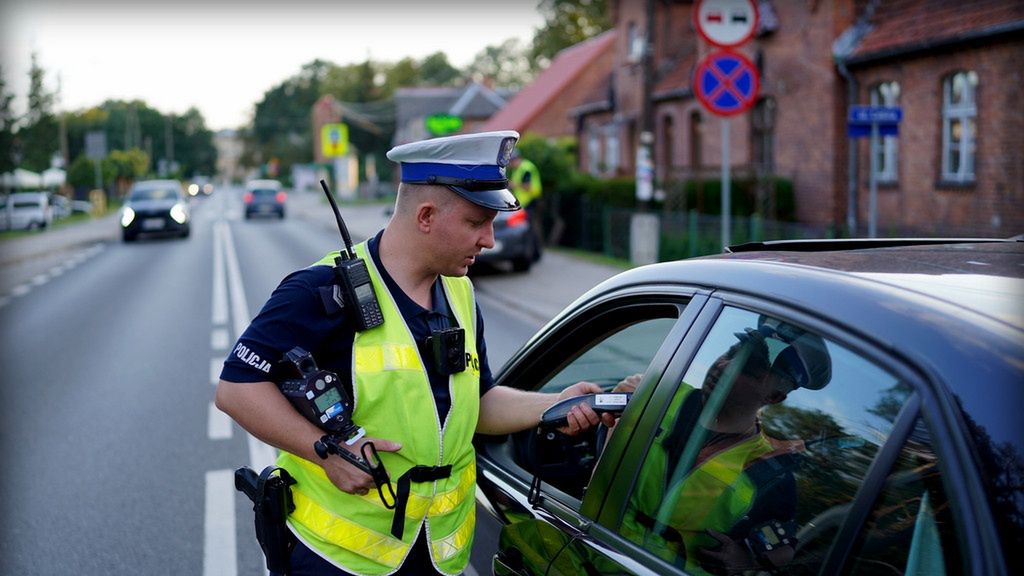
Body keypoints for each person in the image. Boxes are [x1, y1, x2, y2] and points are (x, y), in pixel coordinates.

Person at [215, 130, 614, 576]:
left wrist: (556, 405)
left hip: (435, 556)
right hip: (335, 557)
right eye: (476, 222)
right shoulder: (319, 290)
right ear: (425, 215)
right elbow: (236, 390)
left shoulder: (460, 293)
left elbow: (475, 405)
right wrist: (326, 452)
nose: (490, 240)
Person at [616, 321, 832, 575]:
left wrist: (747, 560)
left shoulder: (771, 473)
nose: (723, 367)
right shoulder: (655, 394)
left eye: (748, 367)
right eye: (731, 352)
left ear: (773, 397)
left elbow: (785, 550)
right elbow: (580, 418)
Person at [507, 150, 543, 261]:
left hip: (530, 202)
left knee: (529, 229)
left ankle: (534, 254)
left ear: (516, 159)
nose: (511, 165)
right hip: (526, 203)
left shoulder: (525, 168)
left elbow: (527, 186)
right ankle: (535, 253)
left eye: (511, 162)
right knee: (531, 228)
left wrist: (513, 185)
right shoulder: (519, 169)